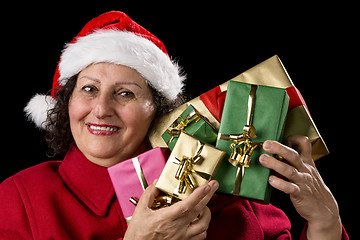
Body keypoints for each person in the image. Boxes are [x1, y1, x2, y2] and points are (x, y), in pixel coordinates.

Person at [0, 11, 348, 240]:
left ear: (158, 110)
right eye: (88, 89)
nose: (101, 109)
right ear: (67, 102)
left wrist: (325, 224)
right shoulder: (19, 198)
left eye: (125, 93)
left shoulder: (228, 190)